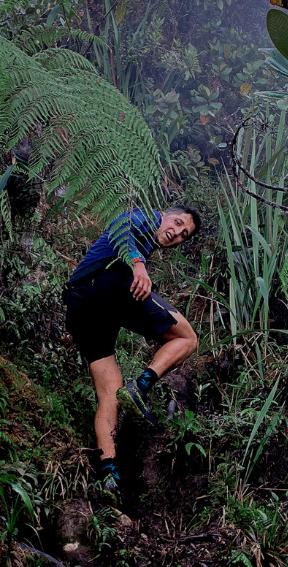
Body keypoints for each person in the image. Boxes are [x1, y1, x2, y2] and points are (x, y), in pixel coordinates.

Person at [65, 204, 201, 501]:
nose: (177, 233)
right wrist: (138, 265)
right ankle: (141, 386)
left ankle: (109, 476)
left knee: (109, 391)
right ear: (164, 214)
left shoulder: (149, 232)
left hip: (82, 303)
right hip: (108, 283)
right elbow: (122, 230)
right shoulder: (144, 216)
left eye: (184, 235)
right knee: (188, 338)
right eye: (177, 223)